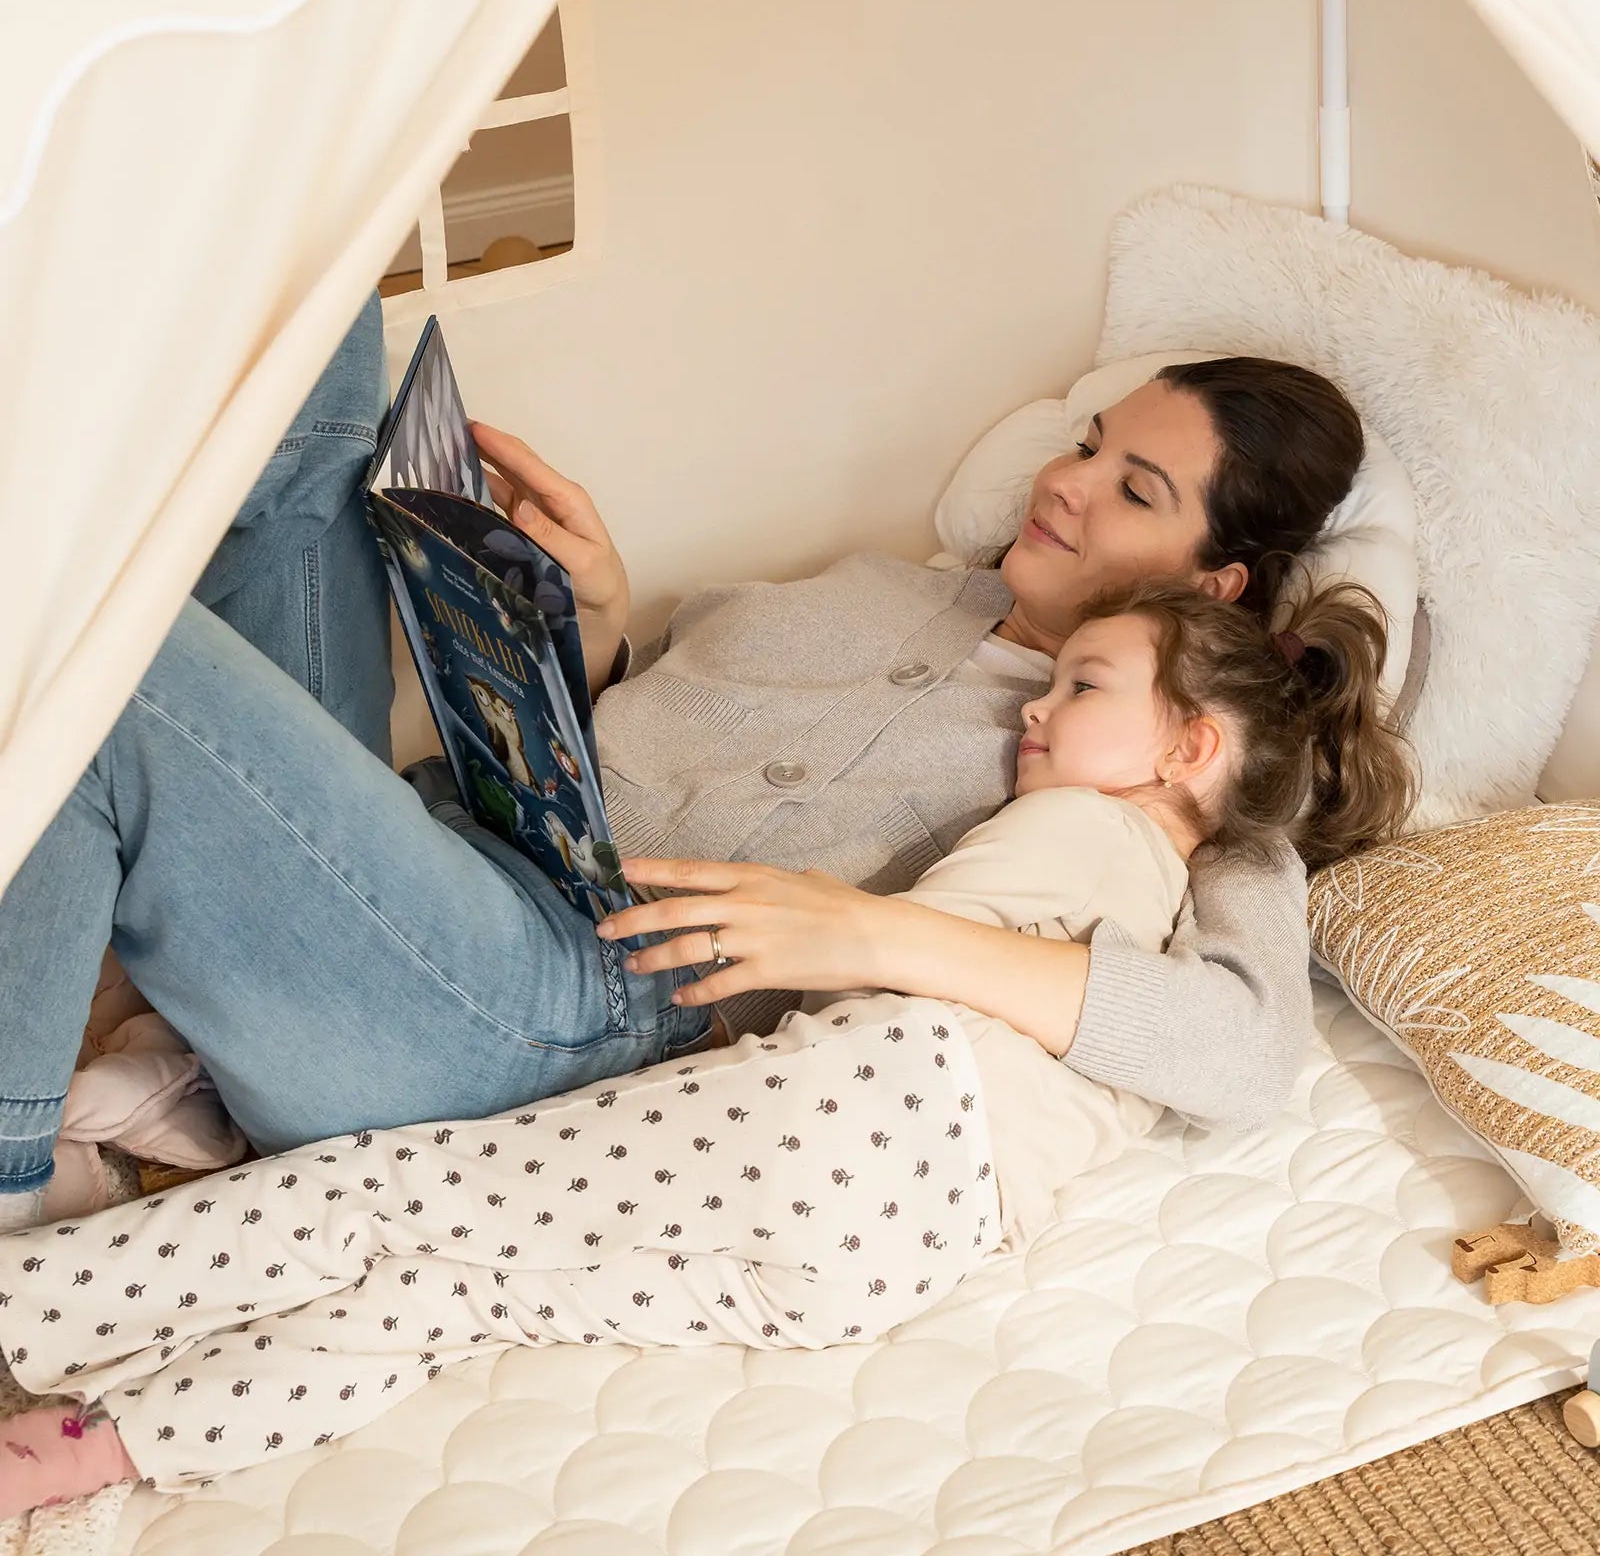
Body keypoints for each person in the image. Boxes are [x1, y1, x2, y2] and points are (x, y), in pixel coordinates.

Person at [0, 573, 1412, 1505]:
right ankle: (98, 1448)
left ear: (1190, 749)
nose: (1036, 707)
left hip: (871, 1103)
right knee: (452, 1284)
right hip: (895, 1255)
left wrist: (826, 944)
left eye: (1085, 686)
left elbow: (1190, 1038)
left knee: (386, 1192)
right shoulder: (1166, 888)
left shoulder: (1100, 831)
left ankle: (30, 1304)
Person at [0, 292, 1365, 1236]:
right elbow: (624, 750)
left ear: (1217, 585)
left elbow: (1247, 1054)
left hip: (558, 1013)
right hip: (433, 860)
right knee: (313, 330)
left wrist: (879, 935)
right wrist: (590, 619)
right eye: (1088, 446)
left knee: (101, 655)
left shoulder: (1162, 766)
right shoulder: (886, 587)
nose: (1065, 482)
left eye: (1134, 490)